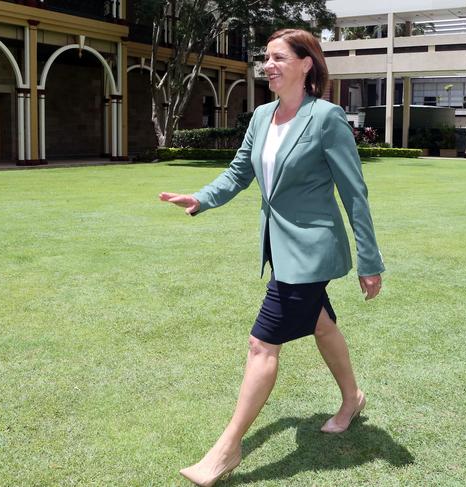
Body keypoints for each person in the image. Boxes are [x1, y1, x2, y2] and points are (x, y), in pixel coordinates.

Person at [159, 28, 384, 487]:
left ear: (306, 64)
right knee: (321, 324)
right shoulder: (261, 116)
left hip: (311, 250)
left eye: (279, 57)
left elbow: (354, 193)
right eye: (266, 58)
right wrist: (201, 198)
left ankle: (227, 449)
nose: (269, 65)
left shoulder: (327, 118)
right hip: (279, 248)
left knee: (262, 344)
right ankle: (352, 398)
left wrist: (370, 259)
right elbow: (241, 171)